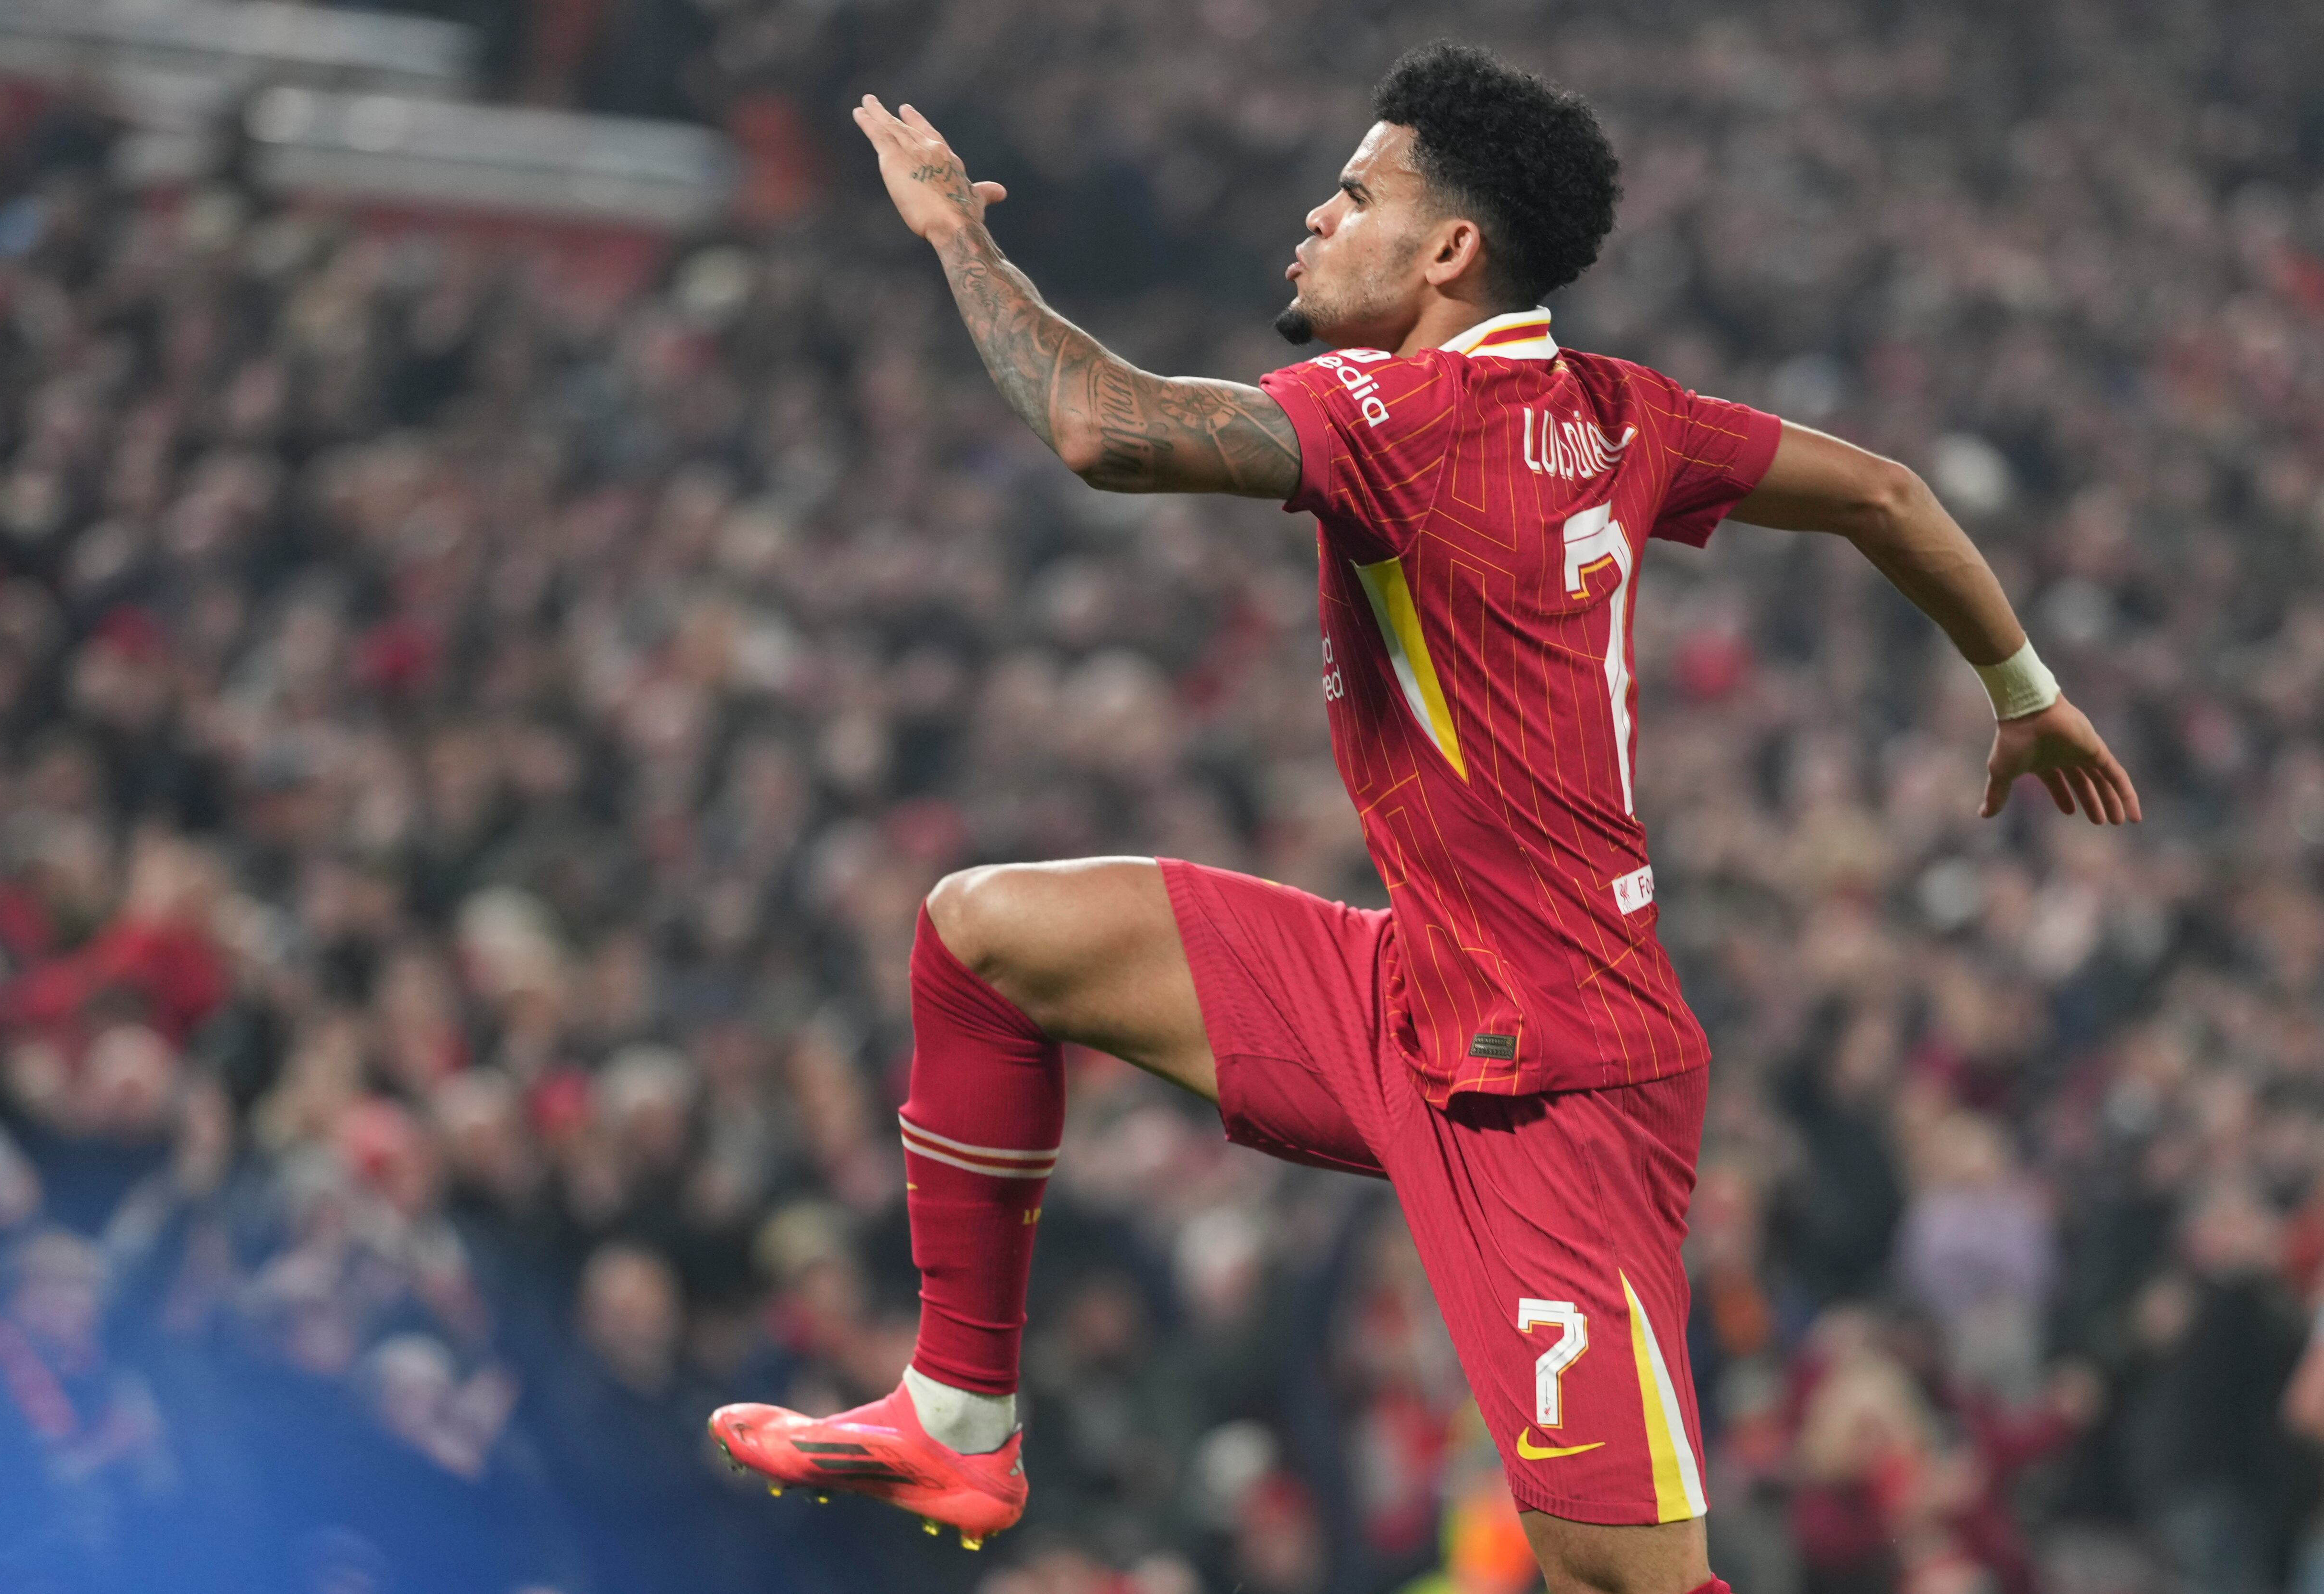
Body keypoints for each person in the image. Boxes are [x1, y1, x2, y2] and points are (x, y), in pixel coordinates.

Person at [711, 40, 2142, 1594]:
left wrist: (957, 239)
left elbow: (1102, 431)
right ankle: (958, 1416)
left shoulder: (1404, 415)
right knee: (986, 935)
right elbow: (1886, 494)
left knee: (1621, 1582)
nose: (1316, 218)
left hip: (1560, 1087)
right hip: (1412, 990)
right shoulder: (1625, 410)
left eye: (1354, 194)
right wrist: (2022, 689)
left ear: (1451, 249)